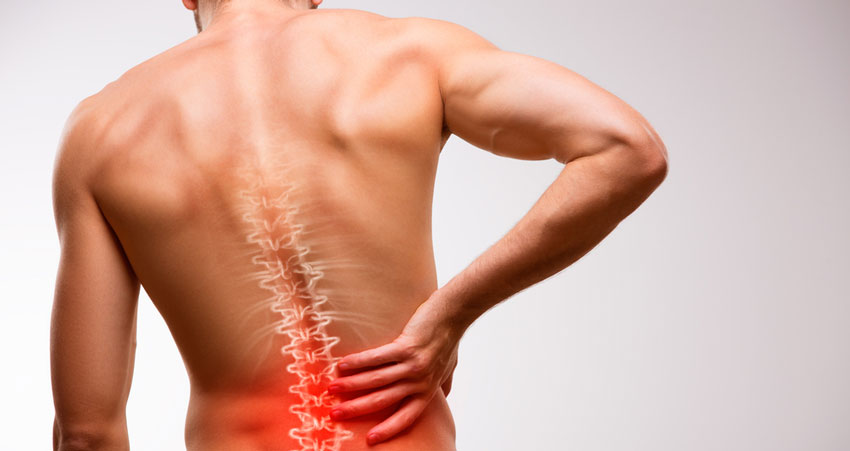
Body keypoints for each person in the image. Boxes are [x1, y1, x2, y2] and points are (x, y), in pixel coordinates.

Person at [49, 0, 668, 450]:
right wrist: (450, 313)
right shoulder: (411, 55)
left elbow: (86, 435)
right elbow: (627, 149)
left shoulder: (101, 131)